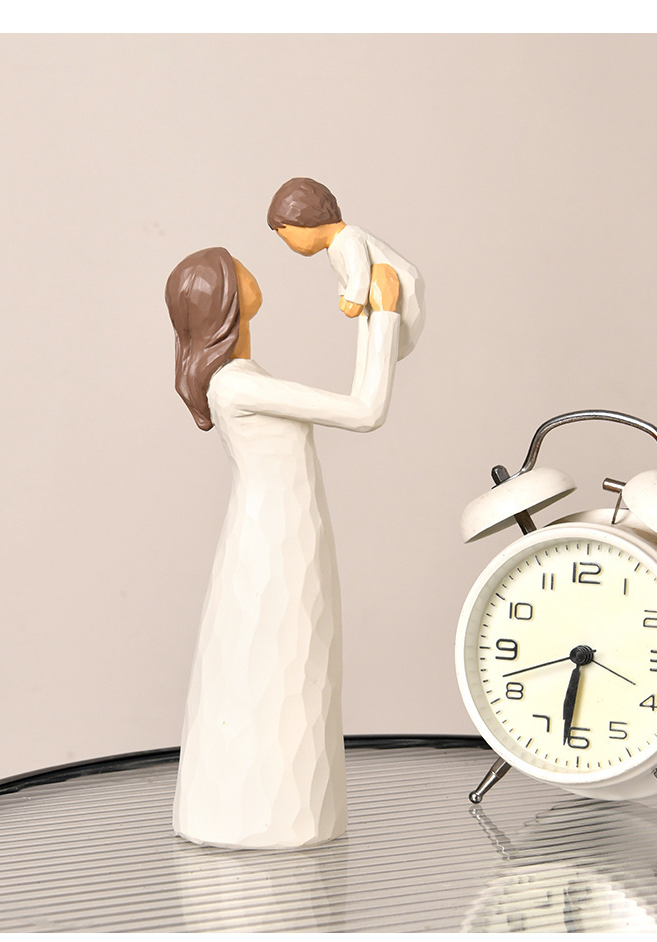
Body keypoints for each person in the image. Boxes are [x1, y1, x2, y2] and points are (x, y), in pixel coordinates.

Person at [165, 246, 401, 849]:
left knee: (290, 666)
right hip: (274, 544)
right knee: (280, 661)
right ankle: (264, 818)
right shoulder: (237, 384)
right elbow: (364, 411)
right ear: (225, 300)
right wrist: (384, 315)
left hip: (283, 533)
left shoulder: (240, 376)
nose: (248, 269)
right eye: (234, 268)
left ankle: (266, 811)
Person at [267, 176, 425, 360]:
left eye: (288, 237)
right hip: (381, 302)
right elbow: (346, 275)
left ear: (307, 222)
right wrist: (344, 293)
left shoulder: (350, 237)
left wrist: (354, 299)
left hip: (402, 292)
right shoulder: (335, 245)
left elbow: (359, 272)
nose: (290, 245)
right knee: (374, 346)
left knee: (385, 345)